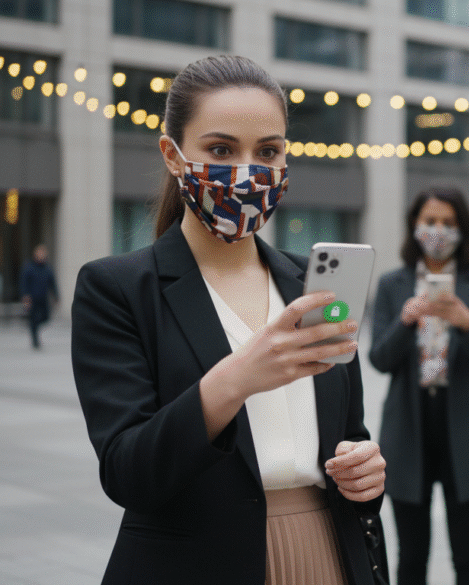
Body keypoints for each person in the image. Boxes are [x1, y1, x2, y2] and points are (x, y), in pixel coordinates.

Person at [71, 55, 387, 585]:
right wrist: (236, 377)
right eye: (220, 150)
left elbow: (347, 432)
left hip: (327, 554)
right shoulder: (117, 289)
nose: (247, 172)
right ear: (173, 156)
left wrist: (365, 468)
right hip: (194, 564)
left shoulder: (311, 285)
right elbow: (128, 472)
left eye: (268, 151)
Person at [370, 187, 469, 585]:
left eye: (449, 222)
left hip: (464, 429)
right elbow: (378, 359)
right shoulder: (394, 284)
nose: (438, 230)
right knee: (410, 556)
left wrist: (466, 320)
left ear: (463, 229)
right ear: (415, 225)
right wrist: (405, 320)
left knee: (468, 555)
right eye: (430, 221)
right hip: (407, 431)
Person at [20, 243, 58, 349]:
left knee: (45, 317)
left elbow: (53, 283)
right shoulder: (29, 267)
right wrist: (25, 296)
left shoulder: (47, 268)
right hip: (32, 298)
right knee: (33, 319)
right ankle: (35, 341)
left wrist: (56, 296)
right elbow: (24, 283)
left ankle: (34, 326)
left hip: (43, 297)